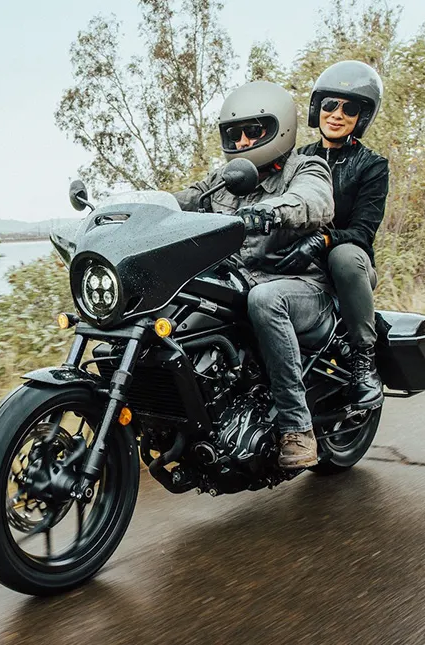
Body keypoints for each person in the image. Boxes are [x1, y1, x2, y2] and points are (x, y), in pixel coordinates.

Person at [174, 81, 334, 469]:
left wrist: (272, 211)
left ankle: (297, 429)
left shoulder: (305, 167)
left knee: (264, 299)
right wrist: (128, 210)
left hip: (300, 288)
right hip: (239, 280)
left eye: (254, 131)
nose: (243, 140)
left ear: (279, 129)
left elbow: (314, 200)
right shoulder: (223, 179)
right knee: (176, 307)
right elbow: (178, 201)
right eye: (235, 133)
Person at [283, 60, 390, 410]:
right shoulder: (296, 159)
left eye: (349, 108)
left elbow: (362, 231)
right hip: (297, 262)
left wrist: (323, 240)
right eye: (330, 105)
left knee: (345, 256)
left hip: (348, 265)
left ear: (362, 117)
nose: (337, 114)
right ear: (317, 109)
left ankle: (364, 361)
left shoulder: (372, 165)